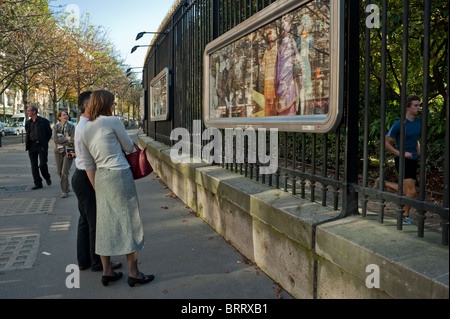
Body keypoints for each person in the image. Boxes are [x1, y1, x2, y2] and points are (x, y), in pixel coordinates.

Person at [80, 89, 154, 287]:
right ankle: (134, 273)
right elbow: (130, 148)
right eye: (112, 103)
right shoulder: (113, 121)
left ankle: (107, 271)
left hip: (102, 178)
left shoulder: (85, 129)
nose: (114, 106)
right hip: (120, 174)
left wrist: (97, 187)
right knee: (129, 222)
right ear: (106, 104)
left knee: (104, 224)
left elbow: (89, 164)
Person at [72, 91, 122, 273]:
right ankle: (98, 263)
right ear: (87, 105)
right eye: (94, 102)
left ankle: (84, 260)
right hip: (86, 176)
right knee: (95, 222)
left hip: (81, 176)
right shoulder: (86, 127)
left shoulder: (84, 125)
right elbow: (91, 160)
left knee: (85, 220)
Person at [385, 95, 421, 224]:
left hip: (413, 159)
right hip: (402, 160)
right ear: (407, 107)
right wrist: (400, 153)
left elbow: (415, 139)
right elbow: (386, 142)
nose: (418, 108)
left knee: (408, 191)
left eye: (419, 105)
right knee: (412, 192)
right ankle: (404, 215)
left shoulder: (418, 122)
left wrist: (420, 154)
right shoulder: (399, 124)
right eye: (415, 105)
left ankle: (385, 184)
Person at [25, 104, 52, 190]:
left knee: (43, 164)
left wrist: (44, 141)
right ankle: (38, 183)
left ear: (34, 112)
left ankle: (47, 177)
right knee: (34, 166)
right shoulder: (28, 123)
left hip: (41, 145)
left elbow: (49, 133)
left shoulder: (44, 121)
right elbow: (27, 132)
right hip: (32, 145)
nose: (27, 112)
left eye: (29, 111)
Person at [53, 110, 75, 198]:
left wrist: (62, 139)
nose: (66, 116)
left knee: (64, 171)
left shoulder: (71, 126)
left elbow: (73, 140)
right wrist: (67, 138)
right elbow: (55, 140)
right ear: (59, 117)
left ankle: (64, 191)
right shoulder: (55, 127)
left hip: (70, 150)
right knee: (59, 171)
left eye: (66, 115)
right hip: (58, 151)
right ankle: (66, 185)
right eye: (64, 115)